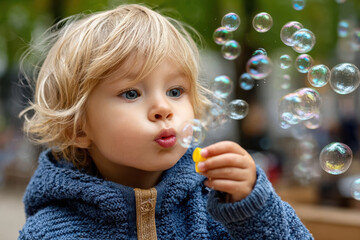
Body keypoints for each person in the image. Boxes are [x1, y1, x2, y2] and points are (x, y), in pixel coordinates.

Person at [18, 4, 313, 240]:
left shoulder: (219, 205)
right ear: (77, 127)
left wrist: (253, 207)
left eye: (175, 91)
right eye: (131, 93)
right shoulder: (51, 231)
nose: (163, 107)